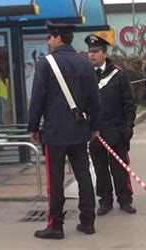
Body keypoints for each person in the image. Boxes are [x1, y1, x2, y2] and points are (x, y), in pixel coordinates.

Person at [28, 21, 101, 239]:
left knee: (55, 179)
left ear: (58, 37)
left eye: (50, 37)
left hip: (55, 132)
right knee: (83, 175)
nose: (49, 42)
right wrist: (95, 127)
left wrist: (33, 127)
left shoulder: (46, 64)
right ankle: (88, 221)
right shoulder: (85, 63)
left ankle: (55, 226)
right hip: (80, 130)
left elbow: (38, 99)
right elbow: (95, 100)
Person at [84, 34, 137, 216]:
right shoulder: (85, 76)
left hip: (116, 130)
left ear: (104, 53)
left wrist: (129, 126)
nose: (91, 55)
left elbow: (129, 103)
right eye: (89, 52)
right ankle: (105, 201)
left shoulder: (119, 75)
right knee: (100, 170)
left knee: (120, 169)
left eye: (95, 52)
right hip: (95, 133)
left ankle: (125, 200)